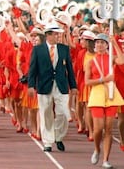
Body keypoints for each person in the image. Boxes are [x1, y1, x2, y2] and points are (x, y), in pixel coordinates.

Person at [27, 22, 78, 152]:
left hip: (61, 85)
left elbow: (69, 69)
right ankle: (48, 142)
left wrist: (73, 86)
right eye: (55, 34)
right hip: (44, 85)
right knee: (46, 113)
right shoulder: (38, 50)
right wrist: (31, 85)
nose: (58, 36)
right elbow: (33, 69)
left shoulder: (64, 49)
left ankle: (59, 136)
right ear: (48, 35)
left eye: (58, 34)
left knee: (62, 112)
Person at [85, 33, 124, 168]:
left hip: (111, 94)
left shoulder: (110, 58)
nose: (99, 45)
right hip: (97, 93)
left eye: (102, 42)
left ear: (106, 45)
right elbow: (87, 82)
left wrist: (115, 43)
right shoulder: (90, 61)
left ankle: (105, 160)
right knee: (98, 129)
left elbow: (122, 60)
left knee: (108, 129)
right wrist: (103, 79)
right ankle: (97, 149)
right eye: (97, 42)